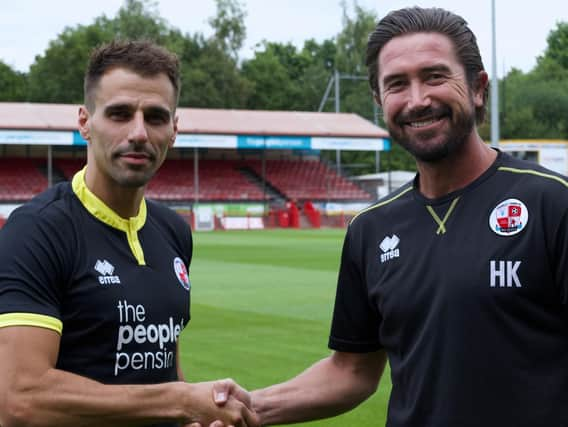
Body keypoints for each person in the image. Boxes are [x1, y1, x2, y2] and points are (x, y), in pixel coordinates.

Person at [207, 6, 568, 427]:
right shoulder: (370, 229)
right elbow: (352, 371)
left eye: (435, 76)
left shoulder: (551, 203)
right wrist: (242, 411)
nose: (417, 100)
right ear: (380, 102)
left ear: (478, 88)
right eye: (397, 84)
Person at [0, 40, 258, 427]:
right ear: (85, 122)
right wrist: (180, 399)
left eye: (155, 117)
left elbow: (163, 370)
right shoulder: (36, 231)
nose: (138, 132)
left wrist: (193, 418)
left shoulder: (173, 231)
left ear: (173, 129)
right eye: (120, 114)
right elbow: (19, 399)